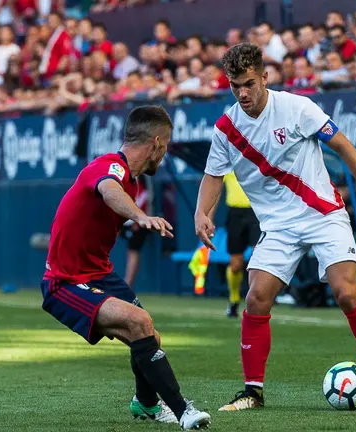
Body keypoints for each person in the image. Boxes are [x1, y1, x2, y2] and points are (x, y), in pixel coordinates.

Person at [195, 42, 356, 411]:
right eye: (234, 86)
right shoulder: (226, 128)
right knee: (256, 298)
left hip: (322, 214)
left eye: (248, 83)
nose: (242, 93)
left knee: (345, 291)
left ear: (264, 77)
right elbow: (213, 175)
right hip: (277, 227)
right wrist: (202, 213)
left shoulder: (297, 108)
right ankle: (253, 392)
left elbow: (345, 149)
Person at [40, 106, 211, 430]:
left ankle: (145, 403)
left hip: (99, 274)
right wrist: (140, 216)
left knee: (149, 336)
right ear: (157, 143)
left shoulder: (130, 180)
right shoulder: (109, 168)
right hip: (65, 282)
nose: (165, 153)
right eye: (167, 145)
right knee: (139, 321)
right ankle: (182, 411)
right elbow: (108, 190)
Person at [223, 170, 261, 318]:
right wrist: (207, 215)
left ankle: (259, 297)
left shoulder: (258, 156)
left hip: (256, 212)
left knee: (259, 255)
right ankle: (234, 300)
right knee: (235, 265)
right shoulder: (227, 159)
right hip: (235, 214)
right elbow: (214, 186)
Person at [119, 175, 152, 289]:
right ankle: (126, 283)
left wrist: (137, 220)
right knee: (130, 252)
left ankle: (127, 284)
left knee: (133, 252)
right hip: (127, 221)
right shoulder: (124, 176)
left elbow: (143, 197)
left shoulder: (140, 178)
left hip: (137, 221)